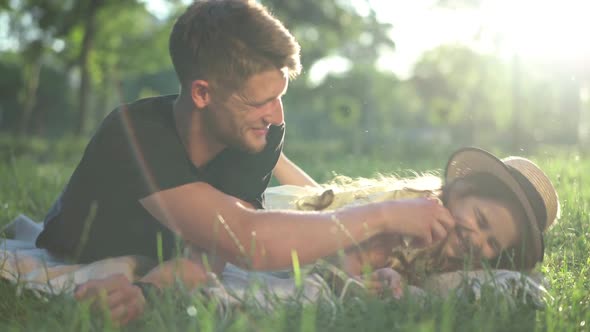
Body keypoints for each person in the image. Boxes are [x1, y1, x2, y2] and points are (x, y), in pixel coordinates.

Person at [35, 0, 454, 325]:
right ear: (202, 93)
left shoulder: (256, 136)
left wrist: (147, 293)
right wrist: (382, 215)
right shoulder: (134, 133)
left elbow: (211, 256)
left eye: (280, 97)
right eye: (260, 102)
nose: (275, 117)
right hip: (81, 245)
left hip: (172, 247)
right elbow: (247, 240)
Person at [283, 147, 559, 293]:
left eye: (493, 243)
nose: (477, 240)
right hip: (304, 233)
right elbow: (330, 225)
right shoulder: (409, 211)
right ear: (461, 192)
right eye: (481, 220)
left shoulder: (458, 266)